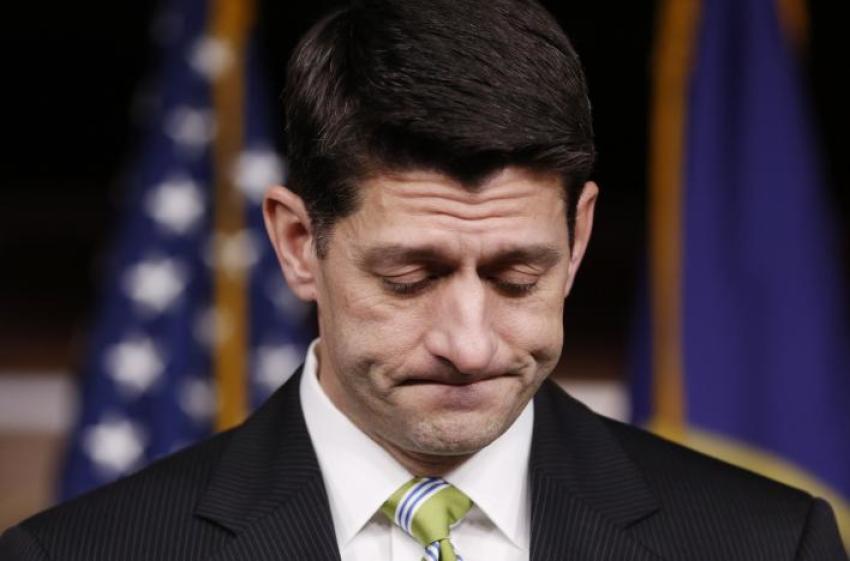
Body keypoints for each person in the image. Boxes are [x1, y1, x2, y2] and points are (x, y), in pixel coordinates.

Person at [1, 0, 846, 559]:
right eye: (409, 275)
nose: (468, 342)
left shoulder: (769, 543)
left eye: (518, 274)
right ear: (299, 241)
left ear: (578, 235)